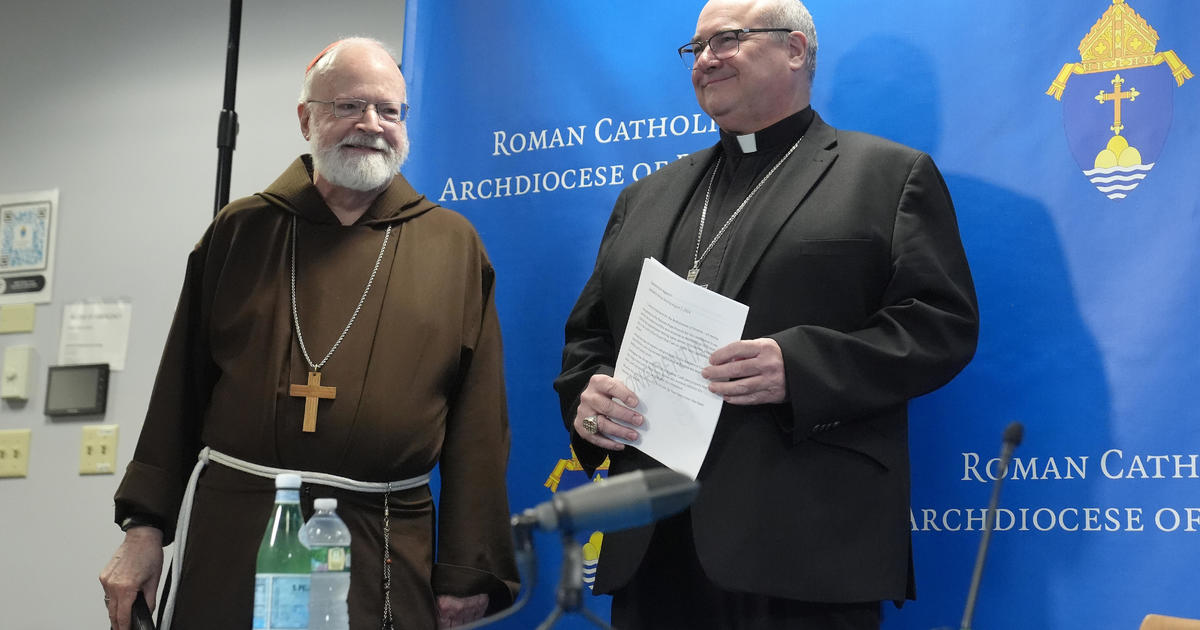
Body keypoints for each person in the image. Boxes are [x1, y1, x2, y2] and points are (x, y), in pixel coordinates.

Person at [554, 1, 979, 628]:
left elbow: (940, 326)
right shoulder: (645, 195)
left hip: (805, 548)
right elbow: (589, 338)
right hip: (653, 550)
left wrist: (802, 368)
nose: (705, 60)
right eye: (694, 48)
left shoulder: (888, 175)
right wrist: (589, 405)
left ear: (796, 50)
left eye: (727, 40)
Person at [100, 38, 518, 630]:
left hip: (385, 538)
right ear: (306, 118)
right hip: (237, 527)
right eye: (349, 106)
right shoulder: (241, 232)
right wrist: (144, 529)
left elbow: (479, 426)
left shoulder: (452, 245)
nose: (371, 125)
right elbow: (178, 392)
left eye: (389, 111)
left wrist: (468, 568)